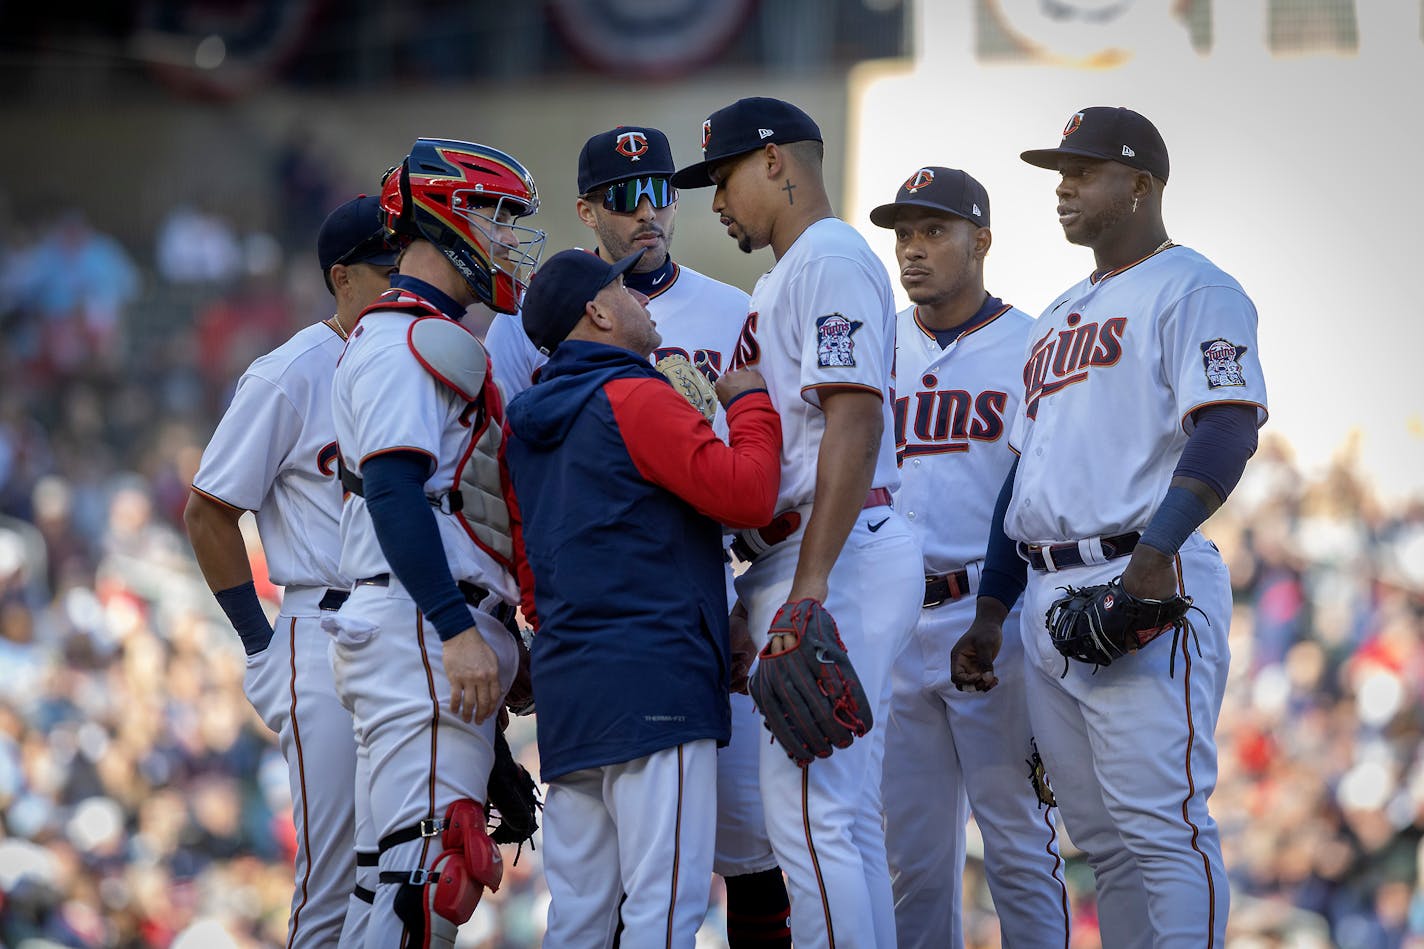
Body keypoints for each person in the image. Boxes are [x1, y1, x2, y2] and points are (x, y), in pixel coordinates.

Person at [951, 107, 1268, 948]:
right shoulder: (1056, 314)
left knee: (1164, 827)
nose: (1063, 189)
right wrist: (990, 609)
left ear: (1141, 185)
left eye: (1082, 172)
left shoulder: (1195, 287)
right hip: (1048, 589)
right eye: (1060, 173)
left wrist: (1157, 553)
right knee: (1105, 843)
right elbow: (1026, 469)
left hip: (1140, 571)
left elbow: (1229, 426)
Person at [485, 123, 794, 946]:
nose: (634, 295)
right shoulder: (634, 392)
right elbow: (751, 491)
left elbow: (525, 556)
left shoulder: (524, 421)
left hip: (574, 685)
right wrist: (749, 402)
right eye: (619, 288)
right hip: (656, 673)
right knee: (666, 910)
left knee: (581, 914)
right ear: (597, 309)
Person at [671, 96, 923, 948]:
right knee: (837, 824)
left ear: (775, 161)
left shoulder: (829, 257)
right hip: (806, 552)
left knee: (817, 824)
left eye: (724, 176)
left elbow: (855, 419)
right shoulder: (786, 275)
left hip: (836, 549)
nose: (714, 201)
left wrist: (809, 585)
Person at [323, 137, 545, 949]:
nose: (512, 236)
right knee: (424, 877)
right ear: (450, 214)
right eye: (500, 215)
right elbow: (391, 491)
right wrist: (457, 628)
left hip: (419, 625)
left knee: (396, 880)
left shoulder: (425, 334)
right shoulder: (401, 339)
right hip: (421, 626)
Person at [184, 195, 397, 948]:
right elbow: (208, 509)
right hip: (324, 624)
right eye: (387, 267)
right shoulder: (289, 372)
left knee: (408, 874)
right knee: (336, 880)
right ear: (342, 277)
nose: (404, 280)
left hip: (407, 621)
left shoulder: (419, 354)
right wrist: (258, 641)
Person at [870, 167, 1070, 947]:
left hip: (995, 620)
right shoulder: (876, 341)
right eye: (903, 235)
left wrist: (997, 611)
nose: (912, 251)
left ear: (980, 240)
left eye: (933, 232)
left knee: (1019, 847)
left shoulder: (1032, 344)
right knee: (911, 861)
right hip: (890, 620)